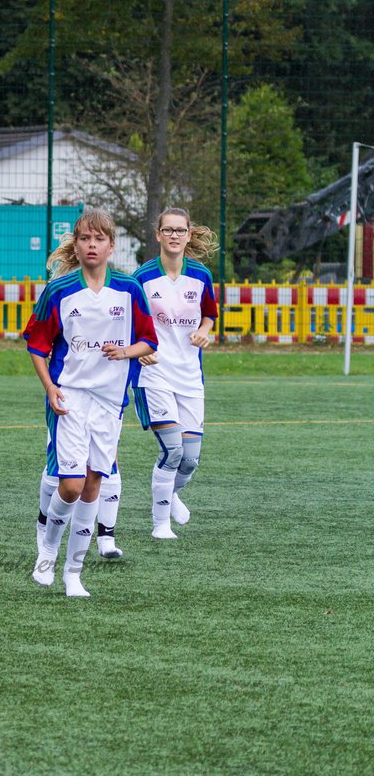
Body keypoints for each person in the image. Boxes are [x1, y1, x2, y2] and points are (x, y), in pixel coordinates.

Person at [24, 209, 156, 597]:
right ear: (76, 245)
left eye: (99, 239)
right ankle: (47, 548)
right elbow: (36, 344)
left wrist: (127, 350)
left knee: (94, 483)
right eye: (85, 239)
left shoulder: (129, 290)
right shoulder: (60, 290)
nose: (92, 245)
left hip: (110, 402)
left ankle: (72, 574)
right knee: (71, 485)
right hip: (70, 396)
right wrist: (49, 387)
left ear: (112, 246)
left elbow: (150, 341)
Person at [129, 207, 219, 540]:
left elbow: (209, 314)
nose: (174, 236)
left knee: (191, 460)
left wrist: (205, 330)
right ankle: (159, 524)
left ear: (189, 234)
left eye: (180, 231)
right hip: (153, 376)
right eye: (168, 230)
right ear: (158, 235)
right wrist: (141, 348)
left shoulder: (201, 276)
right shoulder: (142, 277)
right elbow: (129, 322)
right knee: (173, 451)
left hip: (190, 377)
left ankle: (171, 494)